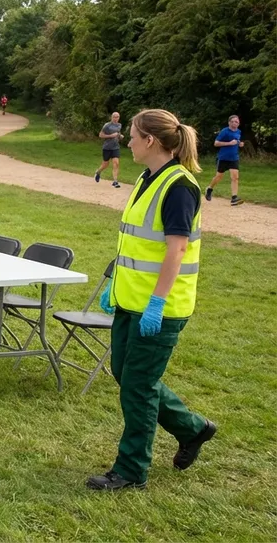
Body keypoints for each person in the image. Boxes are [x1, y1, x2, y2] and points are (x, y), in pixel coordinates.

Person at [88, 108, 216, 491]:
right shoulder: (148, 177)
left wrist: (157, 304)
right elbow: (137, 242)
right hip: (131, 301)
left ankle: (131, 470)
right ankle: (193, 428)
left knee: (139, 386)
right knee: (126, 375)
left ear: (151, 141)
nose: (126, 140)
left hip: (160, 309)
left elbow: (175, 251)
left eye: (132, 134)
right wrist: (116, 285)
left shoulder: (179, 187)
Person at [206, 115, 244, 206]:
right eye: (233, 121)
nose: (235, 123)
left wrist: (240, 144)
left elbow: (237, 141)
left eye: (237, 122)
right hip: (223, 158)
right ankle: (209, 189)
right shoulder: (224, 131)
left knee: (235, 177)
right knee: (219, 177)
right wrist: (229, 143)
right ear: (229, 122)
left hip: (234, 158)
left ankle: (234, 198)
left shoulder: (239, 132)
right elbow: (216, 143)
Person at [94, 111, 124, 188]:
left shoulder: (119, 125)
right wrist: (111, 136)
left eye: (117, 117)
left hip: (116, 147)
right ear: (111, 117)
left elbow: (117, 133)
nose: (116, 118)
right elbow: (100, 135)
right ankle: (98, 172)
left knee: (116, 163)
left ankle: (115, 181)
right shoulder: (107, 125)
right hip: (107, 147)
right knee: (105, 164)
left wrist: (120, 136)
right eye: (114, 117)